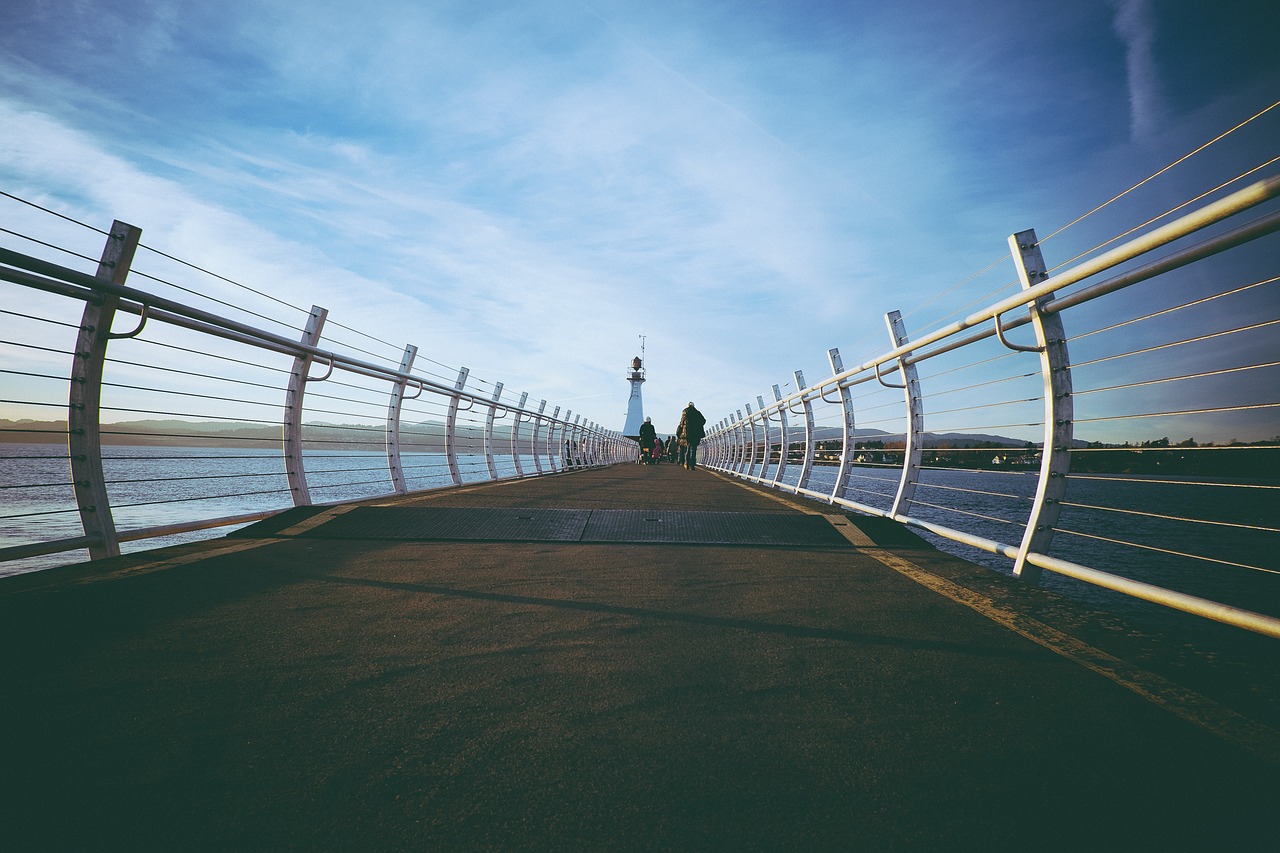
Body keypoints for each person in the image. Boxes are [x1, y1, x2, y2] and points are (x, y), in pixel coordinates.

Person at [677, 402, 706, 470]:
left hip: (687, 433)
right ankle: (692, 465)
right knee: (694, 449)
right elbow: (703, 421)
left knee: (688, 448)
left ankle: (686, 463)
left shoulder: (685, 412)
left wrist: (680, 430)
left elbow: (682, 422)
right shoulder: (697, 413)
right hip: (695, 433)